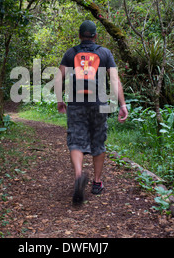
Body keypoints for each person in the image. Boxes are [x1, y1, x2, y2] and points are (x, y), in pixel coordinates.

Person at [55, 20, 128, 205]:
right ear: (95, 36)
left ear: (80, 36)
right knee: (98, 140)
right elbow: (114, 79)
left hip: (76, 103)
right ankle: (96, 183)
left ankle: (79, 175)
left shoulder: (71, 53)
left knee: (76, 141)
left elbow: (58, 77)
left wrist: (59, 100)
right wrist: (122, 104)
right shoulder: (105, 53)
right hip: (99, 103)